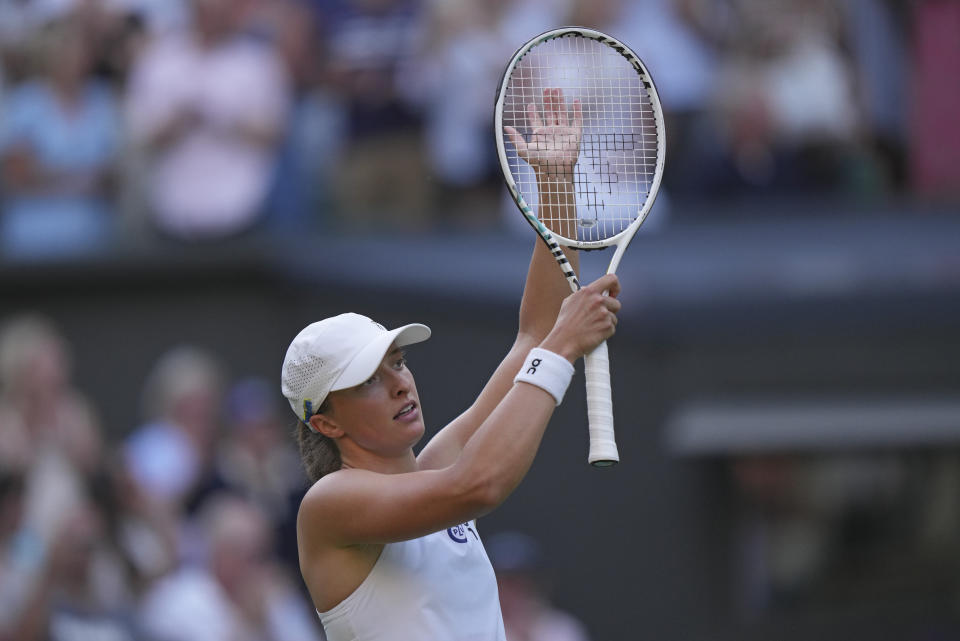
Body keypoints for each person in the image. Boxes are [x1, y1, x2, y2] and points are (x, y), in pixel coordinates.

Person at [281, 88, 621, 640]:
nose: (399, 384)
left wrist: (556, 187)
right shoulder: (330, 505)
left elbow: (534, 332)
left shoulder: (434, 471)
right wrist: (561, 350)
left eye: (398, 362)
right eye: (370, 380)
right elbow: (478, 485)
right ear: (326, 423)